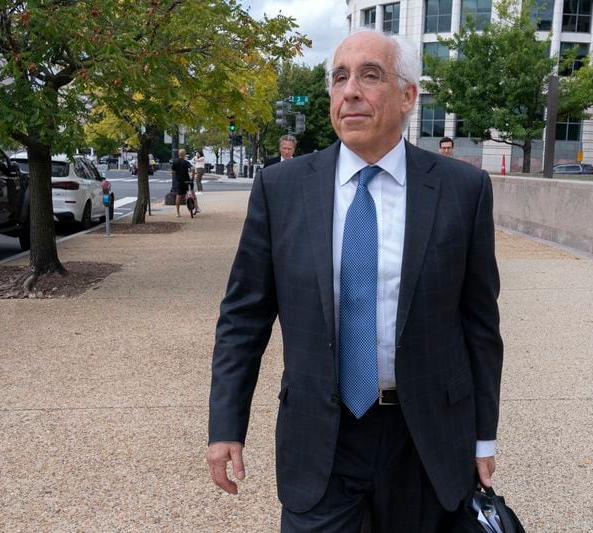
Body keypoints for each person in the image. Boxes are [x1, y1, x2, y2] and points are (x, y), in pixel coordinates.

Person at [207, 30, 503, 532]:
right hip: (321, 435)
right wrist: (225, 426)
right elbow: (244, 317)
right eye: (340, 77)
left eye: (370, 75)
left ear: (408, 95)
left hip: (426, 437)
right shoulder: (281, 189)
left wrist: (483, 438)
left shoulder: (462, 189)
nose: (350, 91)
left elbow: (479, 325)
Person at [171, 148, 196, 217]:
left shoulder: (175, 162)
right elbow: (193, 168)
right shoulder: (186, 162)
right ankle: (196, 207)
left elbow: (173, 172)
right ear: (184, 155)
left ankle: (178, 212)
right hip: (187, 180)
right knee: (192, 192)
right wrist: (193, 177)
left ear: (179, 154)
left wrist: (176, 175)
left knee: (178, 196)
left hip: (180, 181)